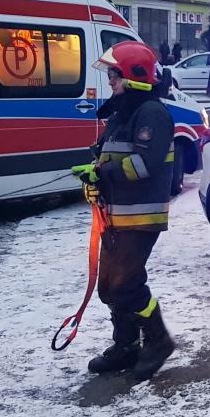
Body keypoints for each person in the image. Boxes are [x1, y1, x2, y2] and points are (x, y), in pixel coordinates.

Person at [70, 41, 177, 381]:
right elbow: (111, 157)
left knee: (126, 284)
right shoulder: (124, 112)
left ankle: (158, 341)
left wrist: (103, 174)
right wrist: (95, 176)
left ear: (134, 77)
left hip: (141, 217)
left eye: (115, 75)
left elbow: (144, 164)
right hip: (117, 215)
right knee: (108, 287)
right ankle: (126, 345)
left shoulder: (151, 114)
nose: (111, 82)